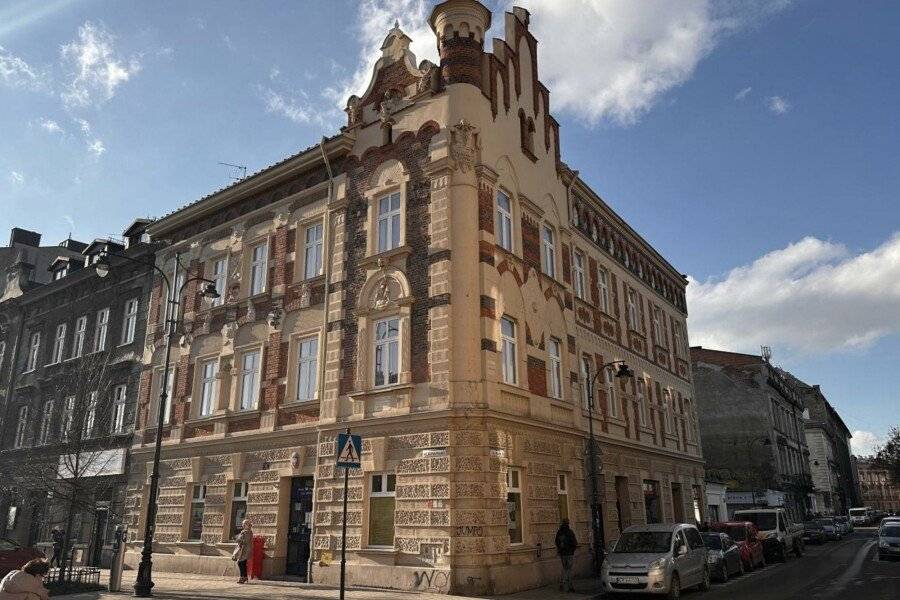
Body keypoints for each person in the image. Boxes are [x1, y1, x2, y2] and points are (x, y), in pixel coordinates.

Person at [555, 518, 578, 592]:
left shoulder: (559, 532)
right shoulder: (570, 532)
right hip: (569, 553)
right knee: (569, 570)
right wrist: (572, 550)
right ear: (568, 524)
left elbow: (556, 541)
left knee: (565, 568)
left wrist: (560, 549)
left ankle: (562, 584)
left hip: (562, 554)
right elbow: (574, 543)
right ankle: (569, 586)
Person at [232, 519, 253, 584]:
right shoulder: (247, 532)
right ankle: (245, 577)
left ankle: (242, 577)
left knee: (240, 563)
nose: (242, 525)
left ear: (247, 525)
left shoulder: (246, 532)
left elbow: (244, 541)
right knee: (243, 563)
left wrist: (237, 539)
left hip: (244, 550)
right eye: (242, 524)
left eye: (244, 524)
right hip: (245, 549)